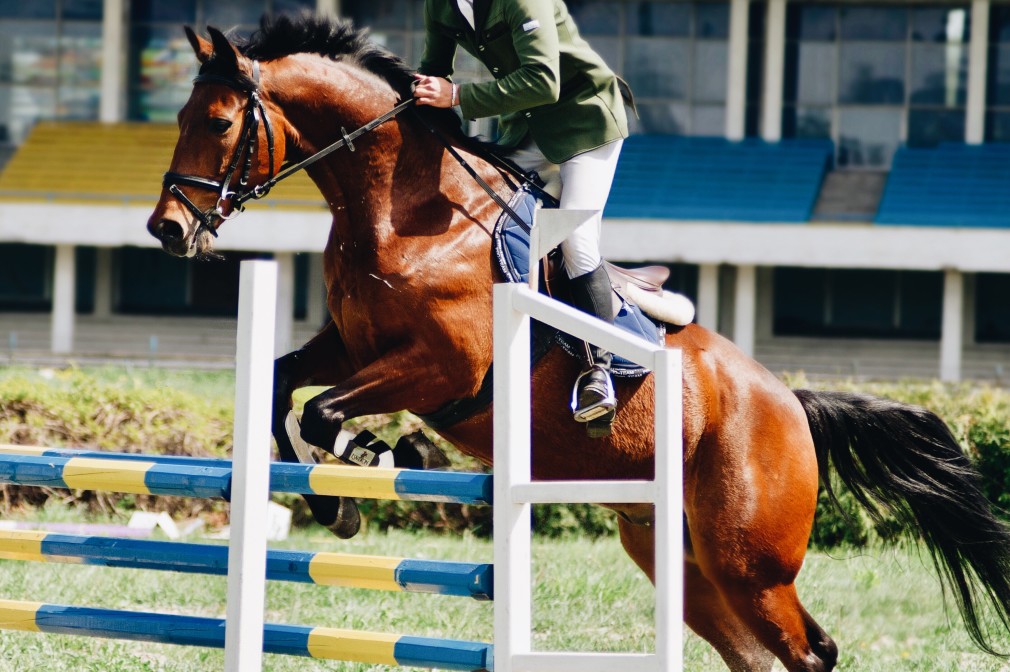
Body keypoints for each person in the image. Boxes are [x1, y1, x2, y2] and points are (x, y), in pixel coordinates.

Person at [413, 0, 631, 437]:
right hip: (525, 128)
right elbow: (432, 73)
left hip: (583, 123)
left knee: (576, 241)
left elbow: (544, 81)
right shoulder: (440, 5)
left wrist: (455, 96)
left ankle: (598, 371)